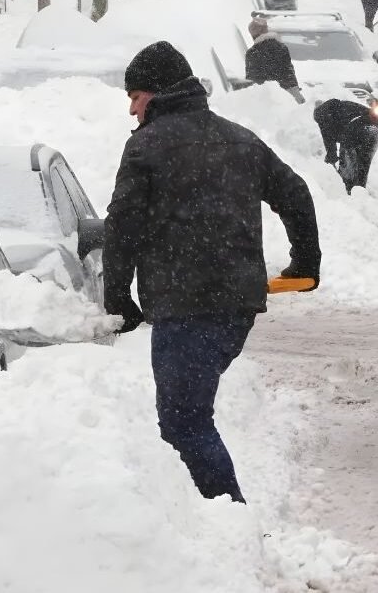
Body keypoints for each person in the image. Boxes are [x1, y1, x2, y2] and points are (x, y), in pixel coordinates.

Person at [103, 41, 320, 503]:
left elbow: (123, 226)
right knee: (188, 415)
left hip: (186, 307)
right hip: (236, 306)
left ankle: (227, 521)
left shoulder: (145, 147)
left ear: (157, 94)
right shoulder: (239, 139)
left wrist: (118, 298)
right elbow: (296, 194)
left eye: (135, 96)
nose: (131, 109)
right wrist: (306, 262)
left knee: (184, 421)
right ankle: (204, 520)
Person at [314, 99, 378, 194]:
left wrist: (331, 159)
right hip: (377, 128)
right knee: (364, 163)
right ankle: (360, 192)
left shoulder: (322, 115)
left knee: (347, 163)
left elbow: (329, 141)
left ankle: (347, 192)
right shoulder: (340, 107)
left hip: (357, 126)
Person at [245, 17, 303, 102]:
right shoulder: (281, 47)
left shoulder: (253, 53)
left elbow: (253, 79)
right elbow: (288, 71)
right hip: (290, 93)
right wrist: (294, 89)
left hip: (270, 97)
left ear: (254, 34)